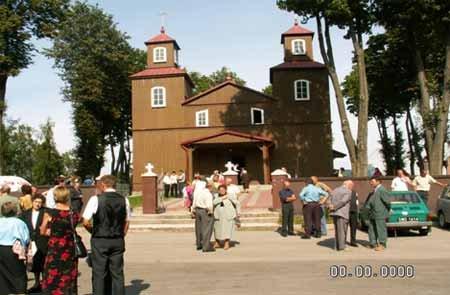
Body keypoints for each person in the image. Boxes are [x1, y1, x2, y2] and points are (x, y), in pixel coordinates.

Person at [83, 175, 130, 295]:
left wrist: (93, 231)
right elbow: (127, 221)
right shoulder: (124, 200)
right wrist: (121, 235)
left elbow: (85, 221)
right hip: (118, 239)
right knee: (117, 273)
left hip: (100, 239)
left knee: (99, 272)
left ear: (103, 185)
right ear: (114, 185)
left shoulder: (96, 199)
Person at [40, 186, 80, 294]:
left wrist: (50, 231)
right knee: (68, 275)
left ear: (55, 197)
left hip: (55, 247)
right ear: (67, 197)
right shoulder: (74, 213)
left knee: (53, 274)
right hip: (69, 247)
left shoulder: (50, 213)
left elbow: (42, 231)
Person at [20, 194, 48, 293]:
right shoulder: (26, 213)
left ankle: (45, 283)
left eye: (40, 202)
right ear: (32, 202)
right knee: (34, 263)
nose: (38, 204)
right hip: (31, 240)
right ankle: (37, 283)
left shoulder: (46, 212)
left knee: (44, 262)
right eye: (36, 202)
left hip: (43, 240)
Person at [0, 202, 30, 295]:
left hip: (1, 248)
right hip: (13, 249)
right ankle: (20, 292)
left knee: (2, 273)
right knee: (18, 273)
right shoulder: (19, 223)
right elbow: (25, 238)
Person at [366, 177, 391, 251]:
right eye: (370, 181)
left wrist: (387, 210)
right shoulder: (375, 190)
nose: (371, 183)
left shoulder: (382, 190)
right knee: (372, 229)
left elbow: (387, 202)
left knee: (381, 229)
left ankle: (382, 244)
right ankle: (373, 243)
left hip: (380, 213)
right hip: (373, 213)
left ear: (378, 182)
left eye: (372, 181)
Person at [213, 185, 240, 250]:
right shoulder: (216, 196)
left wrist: (238, 213)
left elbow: (237, 203)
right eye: (220, 190)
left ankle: (226, 243)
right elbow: (213, 202)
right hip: (218, 215)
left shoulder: (231, 196)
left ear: (225, 190)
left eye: (223, 190)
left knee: (227, 229)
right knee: (217, 229)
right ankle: (217, 242)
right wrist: (222, 198)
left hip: (228, 215)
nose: (221, 191)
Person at [329, 181, 353, 251]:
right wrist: (335, 207)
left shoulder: (335, 190)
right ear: (349, 185)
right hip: (342, 213)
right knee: (342, 230)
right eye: (352, 186)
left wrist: (330, 206)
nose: (352, 187)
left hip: (334, 213)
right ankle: (342, 247)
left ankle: (336, 246)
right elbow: (343, 201)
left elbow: (329, 199)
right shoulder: (348, 191)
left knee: (337, 230)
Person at [191, 180, 215, 252]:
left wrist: (193, 210)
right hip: (205, 211)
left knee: (199, 229)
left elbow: (194, 202)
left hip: (198, 210)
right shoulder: (208, 194)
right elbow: (209, 205)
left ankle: (199, 244)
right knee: (207, 229)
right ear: (210, 186)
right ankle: (206, 246)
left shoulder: (199, 192)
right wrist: (211, 211)